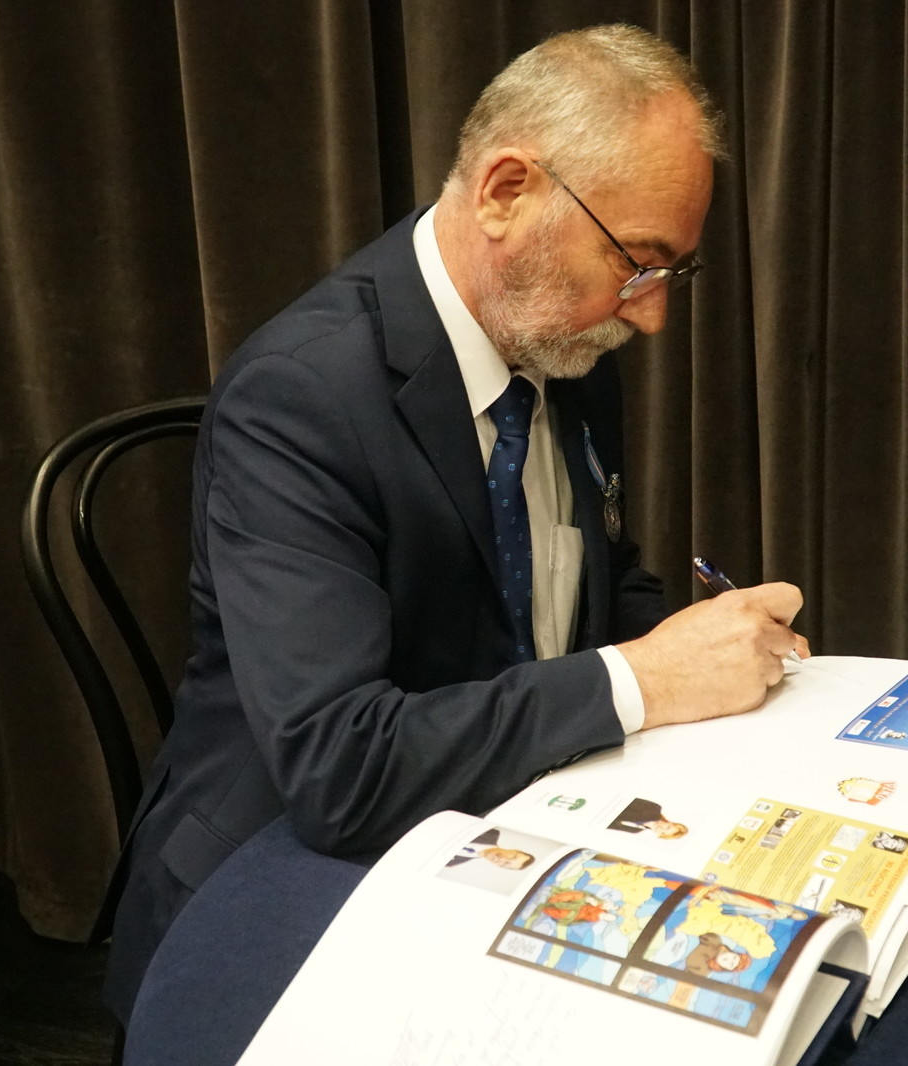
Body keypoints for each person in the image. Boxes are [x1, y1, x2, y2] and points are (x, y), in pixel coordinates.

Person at [102, 23, 811, 1021]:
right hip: (285, 879)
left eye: (669, 275)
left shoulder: (563, 340)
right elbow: (341, 768)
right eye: (636, 262)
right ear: (506, 192)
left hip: (503, 816)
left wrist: (700, 647)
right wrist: (645, 678)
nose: (650, 316)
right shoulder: (300, 398)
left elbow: (590, 578)